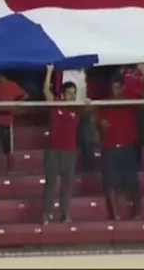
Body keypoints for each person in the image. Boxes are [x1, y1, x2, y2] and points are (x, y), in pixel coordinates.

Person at [42, 64, 83, 223]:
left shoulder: (77, 110)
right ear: (63, 94)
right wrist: (49, 72)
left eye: (74, 94)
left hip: (69, 152)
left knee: (67, 185)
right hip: (53, 151)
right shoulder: (56, 104)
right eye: (69, 93)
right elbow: (46, 91)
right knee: (50, 184)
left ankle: (65, 214)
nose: (72, 96)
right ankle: (47, 213)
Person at [97, 75, 141, 220]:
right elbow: (97, 121)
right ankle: (116, 214)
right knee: (110, 183)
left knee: (132, 182)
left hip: (128, 148)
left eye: (117, 87)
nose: (114, 90)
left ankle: (137, 213)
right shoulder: (105, 104)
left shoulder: (131, 101)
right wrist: (101, 125)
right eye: (112, 88)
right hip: (110, 148)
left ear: (123, 88)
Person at [0, 73, 26, 175]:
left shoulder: (12, 85)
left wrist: (14, 104)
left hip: (7, 121)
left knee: (8, 148)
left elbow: (24, 96)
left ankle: (9, 171)